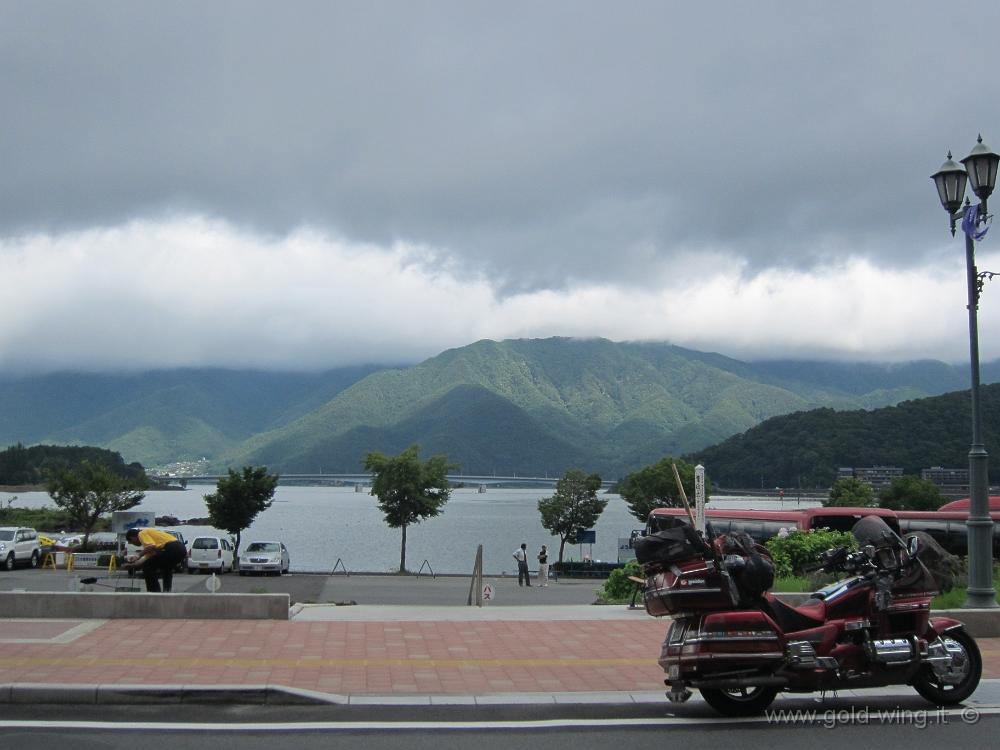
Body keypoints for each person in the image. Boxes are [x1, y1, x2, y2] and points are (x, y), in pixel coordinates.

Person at [123, 527, 187, 592]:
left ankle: (154, 592)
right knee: (166, 568)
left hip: (171, 547)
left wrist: (138, 556)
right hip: (181, 549)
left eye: (132, 542)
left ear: (132, 538)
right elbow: (148, 558)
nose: (135, 545)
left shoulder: (142, 533)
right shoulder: (152, 538)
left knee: (147, 567)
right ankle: (167, 591)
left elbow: (151, 546)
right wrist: (133, 565)